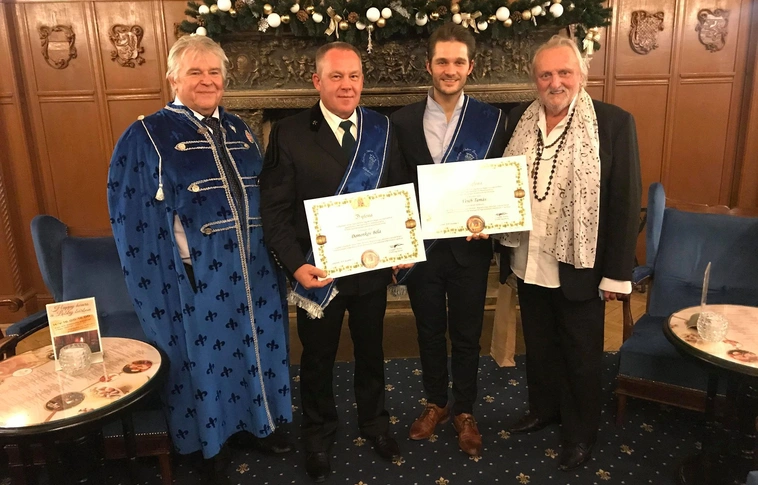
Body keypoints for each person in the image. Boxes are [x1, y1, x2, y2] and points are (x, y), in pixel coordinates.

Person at [107, 35, 293, 484]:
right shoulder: (146, 136)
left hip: (254, 270)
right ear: (173, 78)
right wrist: (162, 283)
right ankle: (211, 445)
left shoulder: (241, 130)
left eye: (214, 72)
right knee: (206, 361)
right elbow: (132, 222)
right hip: (198, 276)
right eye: (195, 72)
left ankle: (257, 426)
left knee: (254, 349)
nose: (207, 81)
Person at [259, 42, 405, 482]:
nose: (347, 85)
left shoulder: (382, 128)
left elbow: (398, 194)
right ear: (317, 81)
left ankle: (375, 423)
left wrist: (401, 249)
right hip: (317, 273)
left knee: (372, 351)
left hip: (371, 269)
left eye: (354, 76)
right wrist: (294, 266)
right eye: (336, 76)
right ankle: (318, 434)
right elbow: (275, 211)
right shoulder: (289, 133)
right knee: (318, 359)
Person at [497, 35, 642, 470]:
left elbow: (625, 202)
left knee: (581, 355)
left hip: (582, 266)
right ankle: (544, 409)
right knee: (539, 346)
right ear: (534, 79)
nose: (555, 82)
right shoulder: (518, 120)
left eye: (564, 72)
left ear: (582, 74)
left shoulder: (613, 123)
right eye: (546, 74)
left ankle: (580, 434)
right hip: (529, 258)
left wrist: (617, 275)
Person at [390, 23, 507, 457]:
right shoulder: (401, 121)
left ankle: (465, 410)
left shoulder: (493, 121)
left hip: (469, 250)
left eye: (458, 62)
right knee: (427, 330)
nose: (450, 69)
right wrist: (397, 246)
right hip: (423, 250)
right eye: (442, 61)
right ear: (429, 65)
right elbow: (394, 186)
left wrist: (497, 218)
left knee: (467, 334)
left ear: (470, 66)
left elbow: (500, 182)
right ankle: (436, 403)